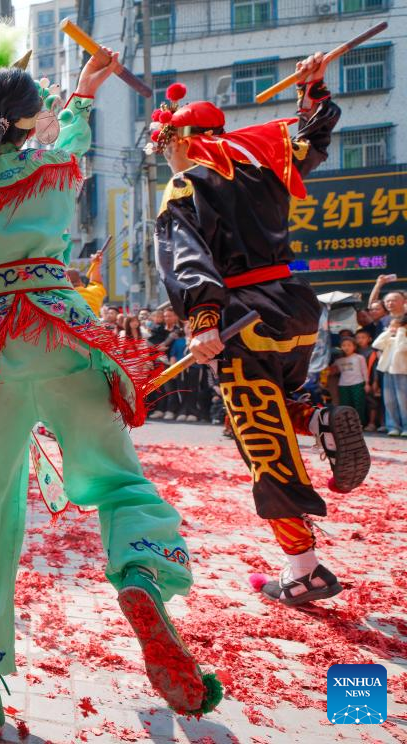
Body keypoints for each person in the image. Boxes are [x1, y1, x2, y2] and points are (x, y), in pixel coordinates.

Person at [0, 25, 219, 734]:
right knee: (118, 480)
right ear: (30, 122)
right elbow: (70, 133)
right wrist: (83, 92)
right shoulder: (57, 171)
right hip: (64, 338)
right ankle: (141, 572)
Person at [150, 53, 369, 607]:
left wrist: (203, 319)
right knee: (270, 406)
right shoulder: (264, 165)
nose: (166, 155)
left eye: (167, 145)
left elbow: (188, 257)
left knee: (261, 441)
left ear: (181, 141)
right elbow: (312, 140)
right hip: (293, 308)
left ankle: (305, 570)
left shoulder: (186, 184)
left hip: (240, 316)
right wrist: (312, 91)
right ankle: (318, 420)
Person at [373, 317, 407, 436]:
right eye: (392, 325)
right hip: (388, 372)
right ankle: (393, 426)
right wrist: (388, 332)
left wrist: (401, 332)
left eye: (397, 325)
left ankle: (406, 427)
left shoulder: (403, 338)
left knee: (403, 401)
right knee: (389, 401)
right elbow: (376, 344)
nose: (394, 328)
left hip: (402, 373)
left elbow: (402, 348)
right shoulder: (389, 339)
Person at [329, 337, 368, 425]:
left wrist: (367, 383)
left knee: (359, 404)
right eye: (344, 345)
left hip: (358, 383)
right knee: (345, 405)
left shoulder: (359, 357)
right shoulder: (338, 360)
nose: (346, 347)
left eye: (349, 345)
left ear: (354, 347)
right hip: (343, 385)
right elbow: (332, 371)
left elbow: (364, 370)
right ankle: (347, 425)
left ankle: (359, 424)